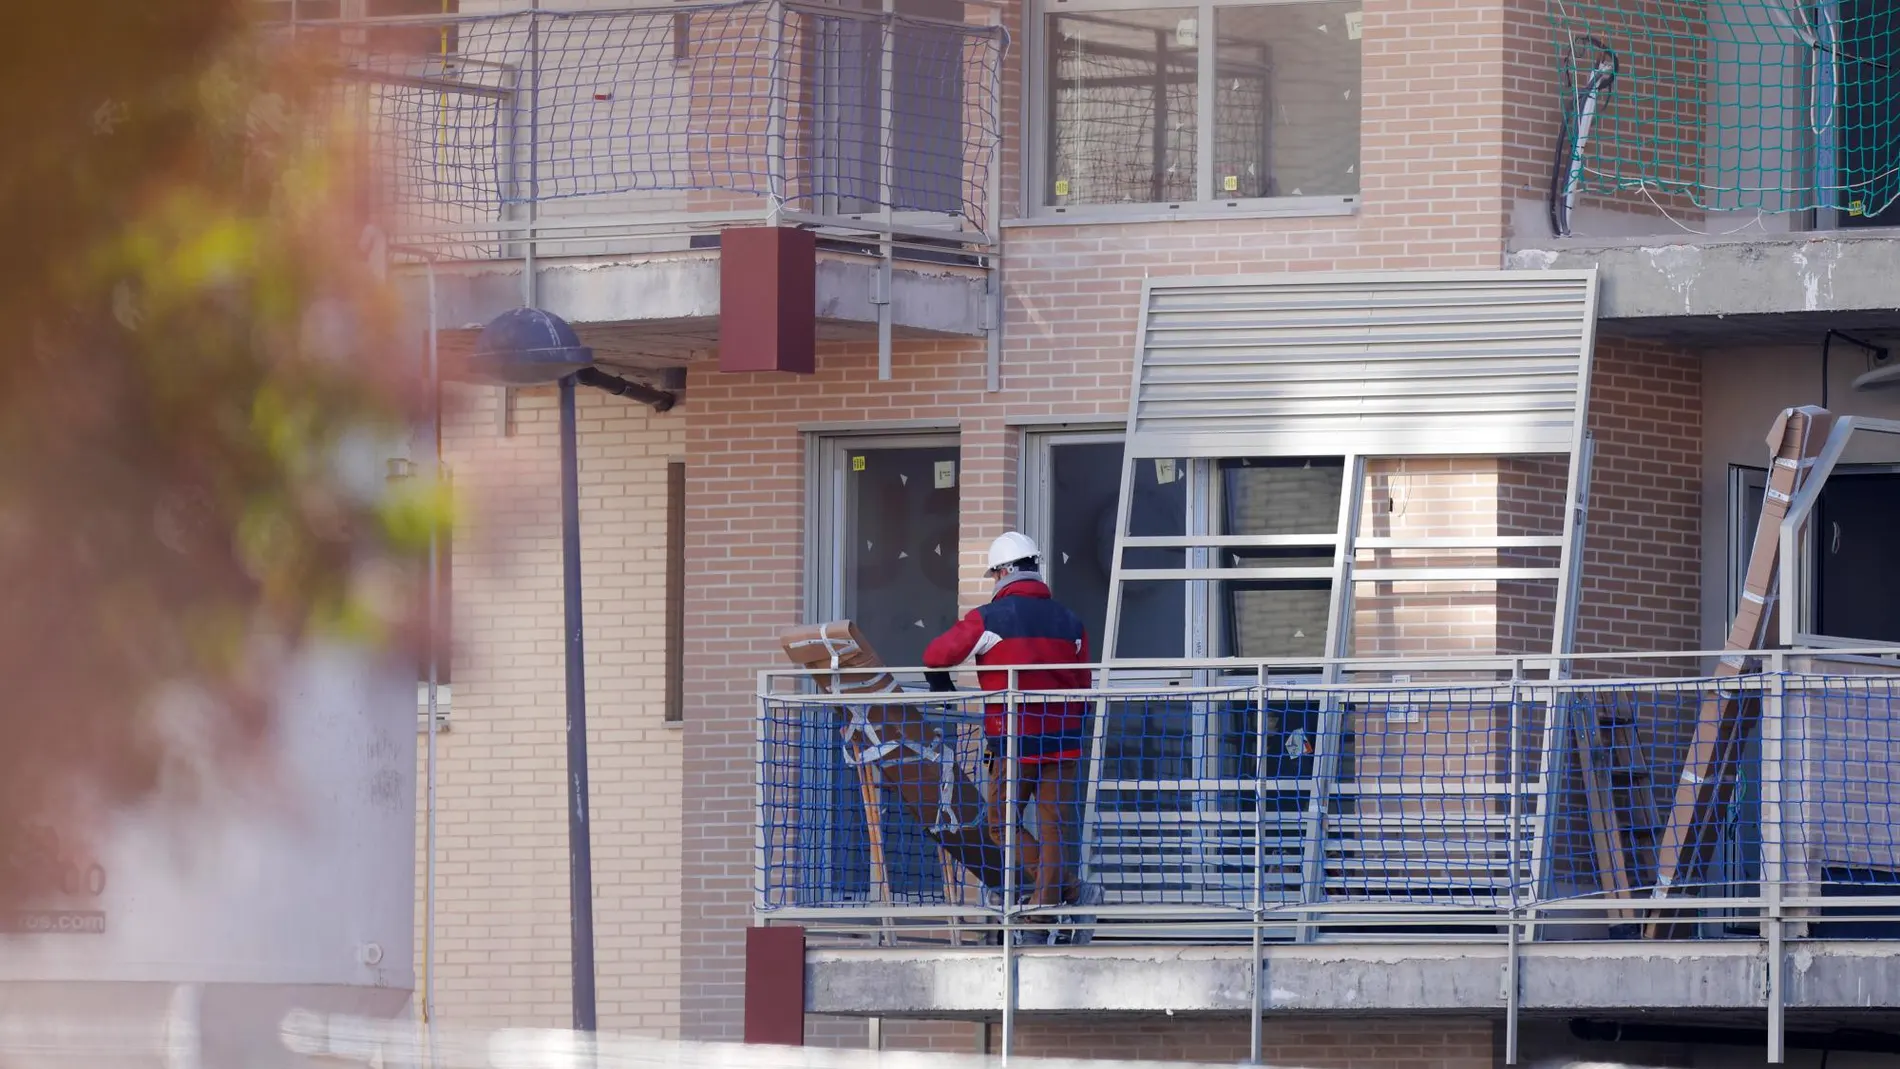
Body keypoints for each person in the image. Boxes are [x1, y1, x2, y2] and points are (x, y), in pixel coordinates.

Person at [923, 531, 1103, 944]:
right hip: (1064, 740)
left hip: (1015, 741)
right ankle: (1054, 900)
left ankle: (1060, 893)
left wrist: (940, 681)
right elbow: (1083, 684)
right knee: (1054, 825)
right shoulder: (1071, 621)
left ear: (1003, 571)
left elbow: (935, 655)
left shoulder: (990, 618)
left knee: (1001, 823)